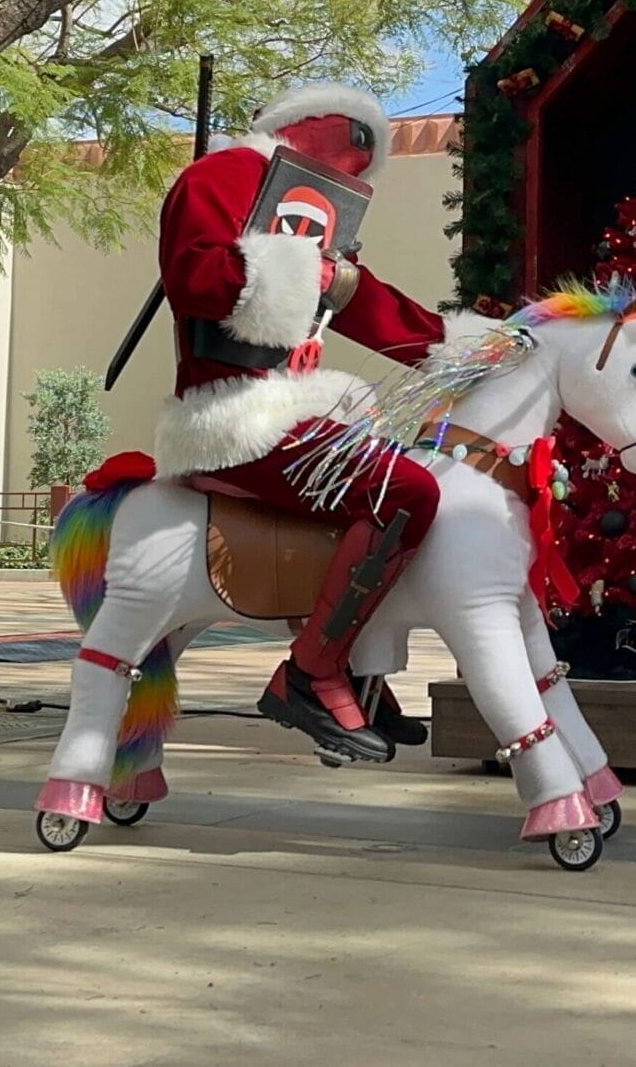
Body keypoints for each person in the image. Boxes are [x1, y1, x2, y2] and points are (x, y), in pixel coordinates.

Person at [153, 83, 445, 763]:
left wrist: (451, 345)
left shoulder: (301, 202)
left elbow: (363, 303)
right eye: (354, 146)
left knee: (392, 477)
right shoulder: (221, 177)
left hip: (292, 408)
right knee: (407, 492)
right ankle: (311, 673)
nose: (359, 165)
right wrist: (305, 268)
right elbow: (194, 277)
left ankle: (360, 662)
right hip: (234, 415)